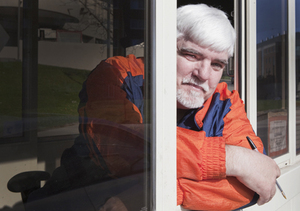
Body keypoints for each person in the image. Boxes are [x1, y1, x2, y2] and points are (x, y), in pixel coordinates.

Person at [28, 3, 280, 211]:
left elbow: (255, 183)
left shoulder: (226, 99)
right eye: (191, 55)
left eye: (217, 65)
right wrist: (234, 159)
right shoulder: (115, 74)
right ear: (162, 47)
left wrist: (162, 191)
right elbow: (123, 147)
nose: (204, 74)